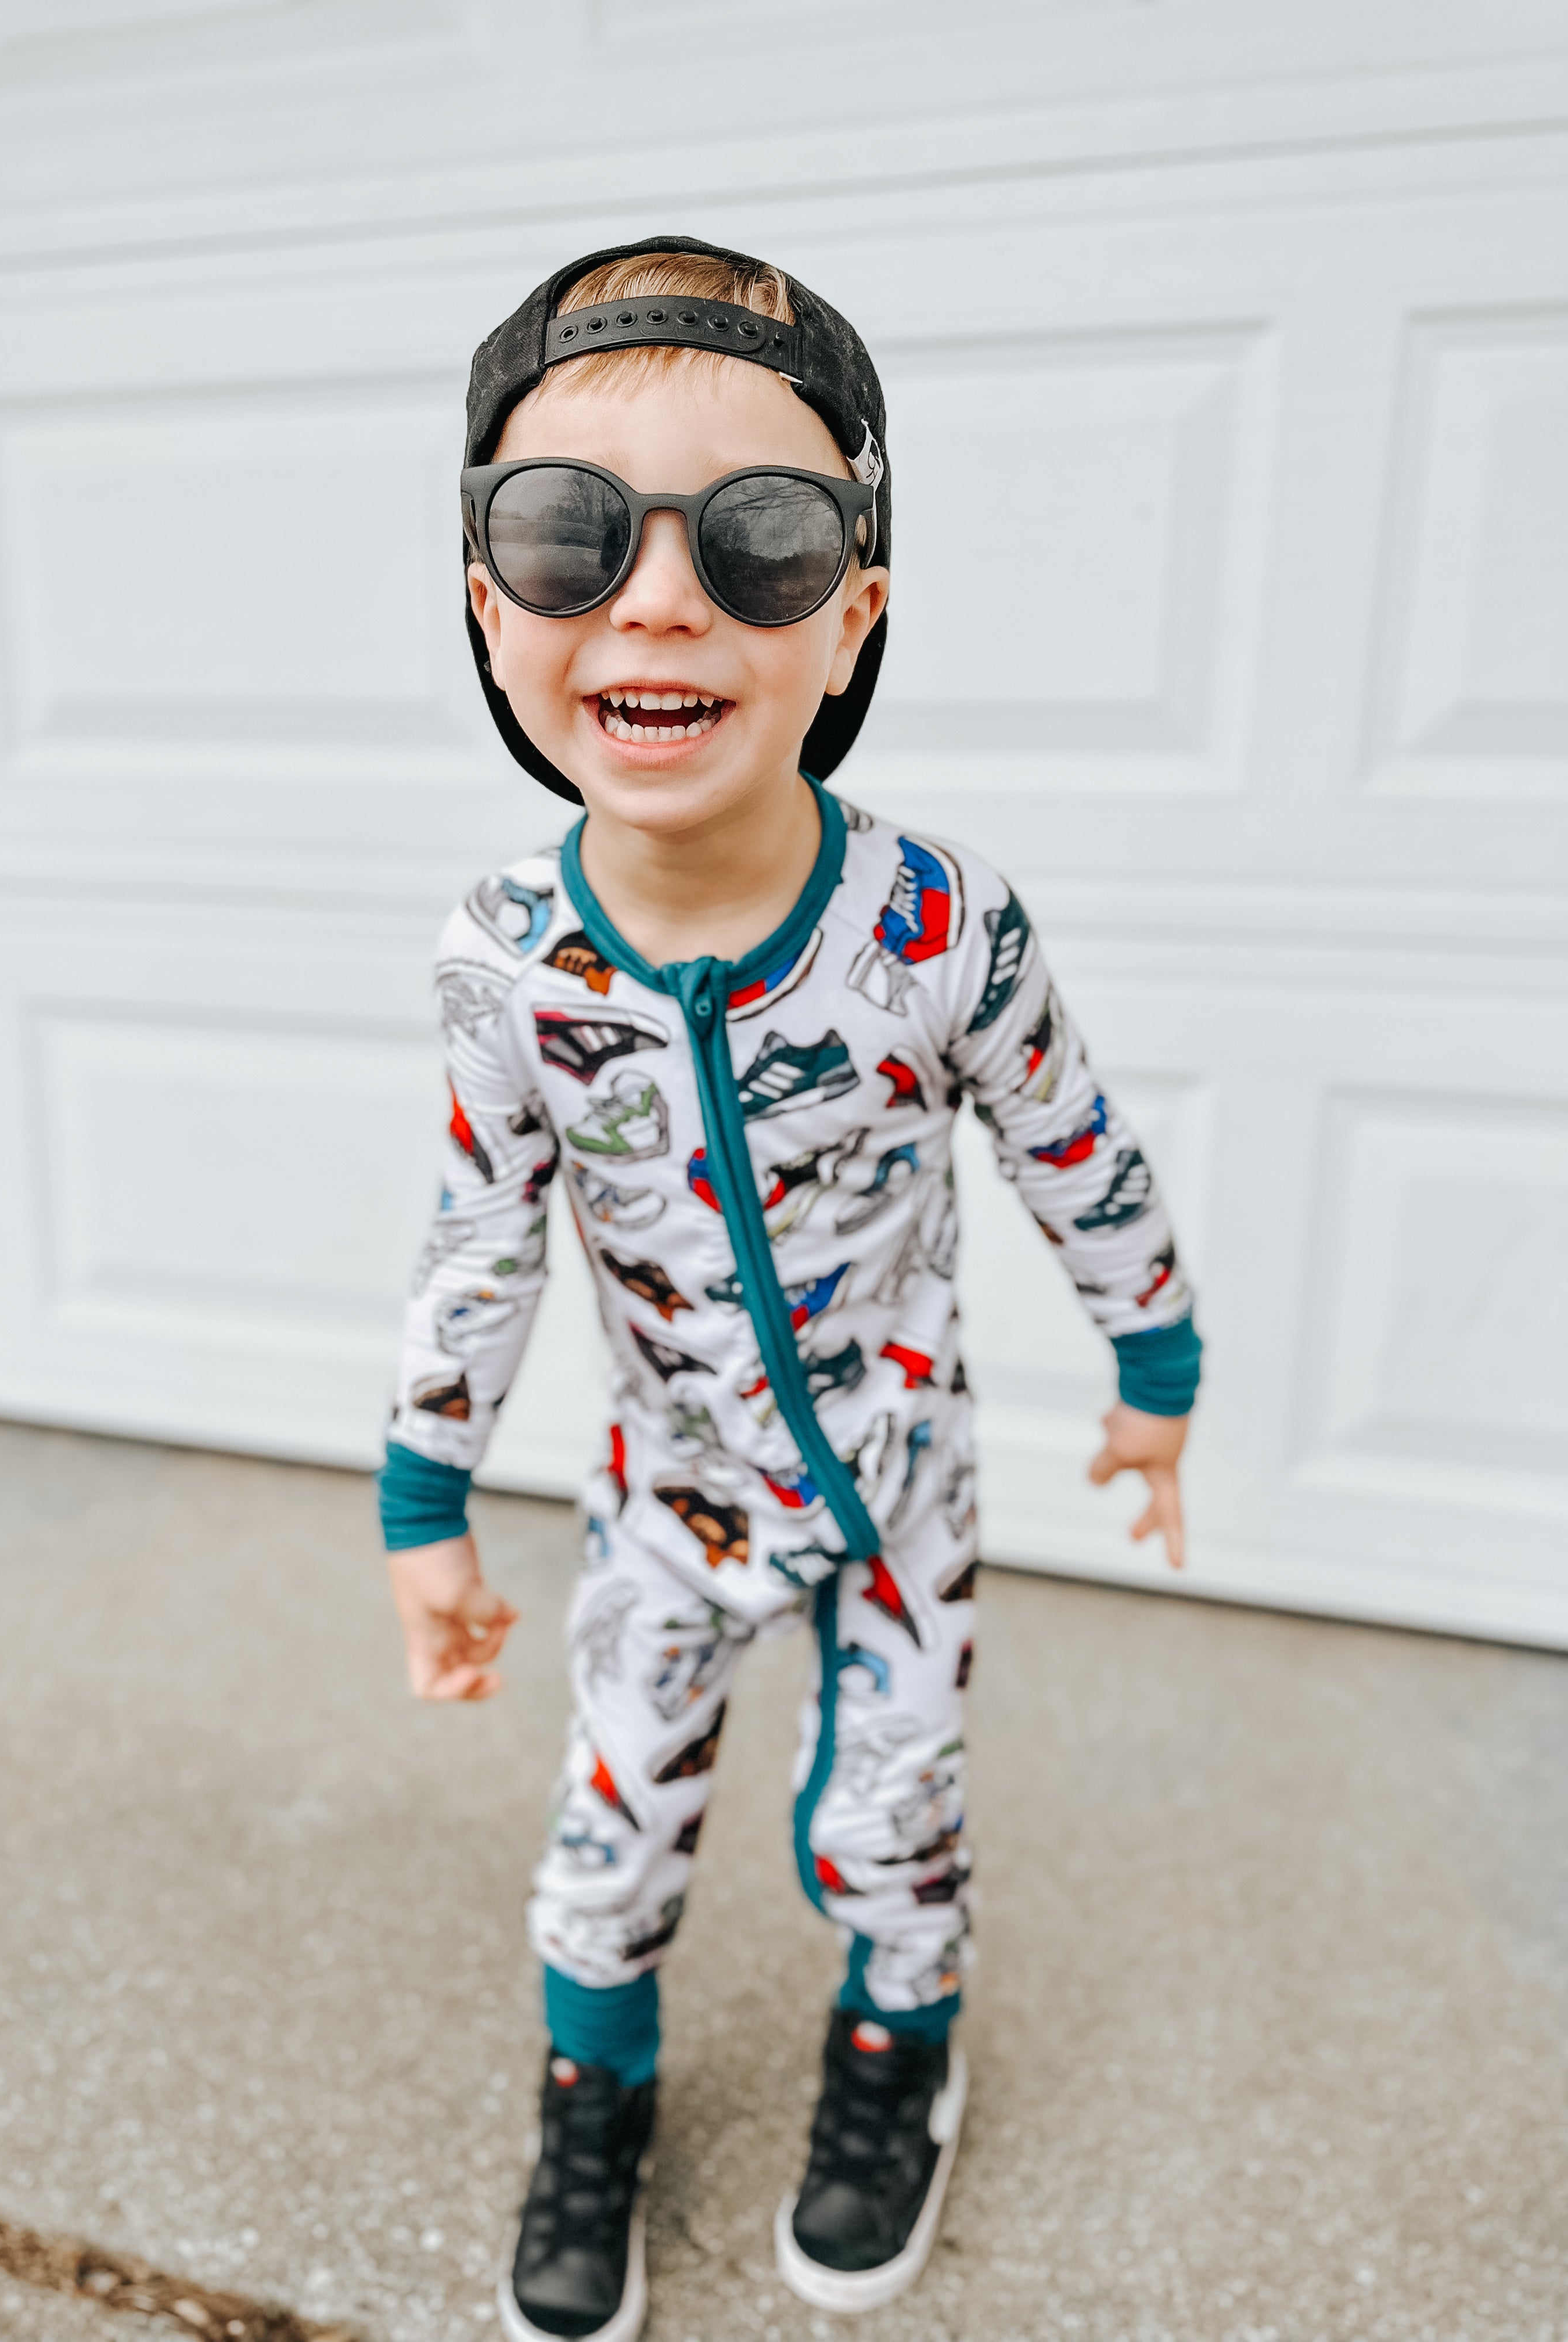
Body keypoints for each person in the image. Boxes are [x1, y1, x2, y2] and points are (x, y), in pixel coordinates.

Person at [378, 237, 1202, 2342]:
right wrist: (425, 1500)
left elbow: (1073, 1140)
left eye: (759, 539)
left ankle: (898, 2050)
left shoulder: (938, 924)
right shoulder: (507, 964)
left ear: (854, 615)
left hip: (901, 1473)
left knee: (893, 1823)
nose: (660, 600)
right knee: (608, 1841)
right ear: (488, 602)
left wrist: (1156, 1354)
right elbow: (481, 1231)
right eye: (567, 534)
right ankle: (594, 2103)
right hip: (670, 1491)